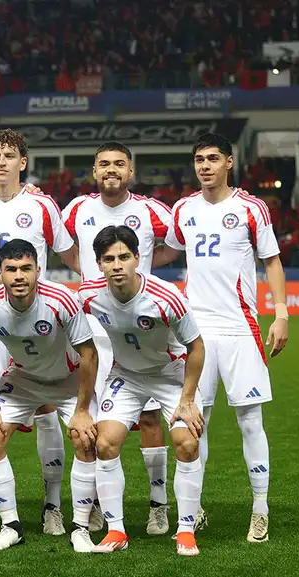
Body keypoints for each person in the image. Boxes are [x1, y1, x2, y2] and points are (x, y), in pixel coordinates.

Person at [0, 128, 86, 537]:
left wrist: (96, 291)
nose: (2, 161)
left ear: (22, 163)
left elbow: (70, 254)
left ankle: (53, 504)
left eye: (10, 155)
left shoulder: (43, 205)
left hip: (35, 323)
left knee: (45, 414)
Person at [165, 133, 289, 543]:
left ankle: (260, 508)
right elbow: (165, 250)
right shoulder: (183, 209)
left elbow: (271, 260)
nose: (205, 166)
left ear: (229, 163)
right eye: (199, 159)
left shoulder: (251, 207)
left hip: (241, 329)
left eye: (212, 158)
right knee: (195, 422)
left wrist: (281, 312)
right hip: (196, 333)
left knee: (250, 421)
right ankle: (193, 510)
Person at [62, 142, 180, 535]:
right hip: (93, 328)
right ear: (94, 171)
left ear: (130, 171)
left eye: (119, 164)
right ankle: (95, 503)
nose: (111, 170)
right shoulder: (77, 209)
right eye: (103, 164)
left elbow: (175, 245)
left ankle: (158, 504)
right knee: (93, 419)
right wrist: (87, 273)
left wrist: (146, 266)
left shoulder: (152, 210)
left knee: (148, 418)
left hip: (138, 327)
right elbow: (64, 248)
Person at [77, 225, 206, 556]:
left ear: (137, 258)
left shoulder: (166, 298)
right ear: (99, 264)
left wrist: (188, 400)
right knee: (104, 443)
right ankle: (116, 531)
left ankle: (186, 530)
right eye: (108, 259)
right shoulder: (89, 296)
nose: (117, 265)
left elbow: (196, 347)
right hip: (126, 375)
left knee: (187, 443)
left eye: (123, 257)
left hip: (170, 373)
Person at [0, 238, 99, 553]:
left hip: (67, 378)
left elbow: (89, 354)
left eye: (26, 268)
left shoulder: (61, 300)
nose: (19, 276)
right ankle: (11, 526)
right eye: (11, 269)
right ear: (0, 272)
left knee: (85, 437)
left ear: (39, 270)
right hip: (24, 379)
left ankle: (80, 527)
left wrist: (82, 409)